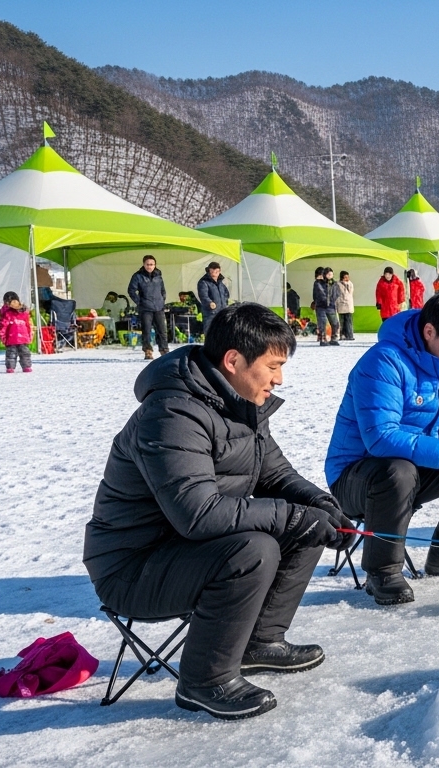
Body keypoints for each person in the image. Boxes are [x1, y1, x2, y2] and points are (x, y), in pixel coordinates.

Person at [85, 303, 350, 720]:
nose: (280, 379)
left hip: (186, 550)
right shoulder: (172, 413)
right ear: (233, 361)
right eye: (273, 366)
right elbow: (198, 513)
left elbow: (275, 473)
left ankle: (259, 642)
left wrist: (320, 506)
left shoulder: (239, 403)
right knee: (255, 547)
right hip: (134, 567)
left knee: (305, 523)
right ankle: (204, 680)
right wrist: (293, 516)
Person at [325, 293, 439, 605]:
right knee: (398, 470)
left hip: (411, 470)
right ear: (429, 332)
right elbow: (381, 437)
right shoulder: (384, 361)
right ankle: (382, 571)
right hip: (358, 478)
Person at [128, 255, 169, 360]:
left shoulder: (158, 276)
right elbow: (131, 290)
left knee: (162, 330)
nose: (150, 266)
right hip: (145, 308)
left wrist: (162, 299)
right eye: (148, 264)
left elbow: (163, 290)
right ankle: (148, 351)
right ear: (144, 264)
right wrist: (139, 302)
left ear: (155, 265)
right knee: (146, 331)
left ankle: (164, 350)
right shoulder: (138, 276)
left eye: (152, 264)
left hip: (158, 307)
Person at [0, 291, 34, 373]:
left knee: (12, 354)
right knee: (23, 353)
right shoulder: (24, 312)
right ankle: (25, 366)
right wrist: (30, 335)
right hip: (20, 337)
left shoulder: (7, 313)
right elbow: (29, 325)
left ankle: (11, 367)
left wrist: (2, 336)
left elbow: (3, 326)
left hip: (12, 337)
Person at [198, 262, 230, 333]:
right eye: (212, 271)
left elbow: (226, 293)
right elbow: (203, 296)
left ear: (219, 271)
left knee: (223, 334)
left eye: (216, 272)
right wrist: (210, 302)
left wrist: (225, 302)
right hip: (211, 313)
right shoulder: (204, 282)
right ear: (209, 271)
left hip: (222, 312)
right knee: (210, 333)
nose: (214, 274)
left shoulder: (220, 283)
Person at [312, 267, 339, 346]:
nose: (330, 276)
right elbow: (320, 293)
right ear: (324, 275)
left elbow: (337, 293)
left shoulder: (334, 283)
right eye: (328, 274)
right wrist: (325, 300)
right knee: (322, 323)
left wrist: (332, 300)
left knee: (335, 323)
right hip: (321, 306)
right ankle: (323, 339)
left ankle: (334, 339)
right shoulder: (318, 283)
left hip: (331, 306)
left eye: (331, 274)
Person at [335, 271, 355, 341]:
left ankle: (350, 335)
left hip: (349, 304)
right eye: (345, 277)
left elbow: (350, 293)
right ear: (342, 277)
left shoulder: (350, 284)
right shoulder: (337, 284)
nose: (347, 278)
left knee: (349, 321)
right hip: (341, 304)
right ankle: (342, 335)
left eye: (348, 277)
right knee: (342, 322)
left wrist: (347, 284)